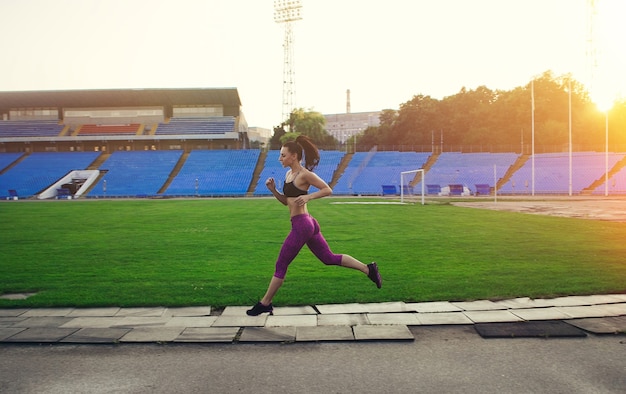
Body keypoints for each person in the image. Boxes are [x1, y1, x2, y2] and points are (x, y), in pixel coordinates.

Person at [246, 135, 382, 316]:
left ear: (294, 156)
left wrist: (309, 196)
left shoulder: (305, 175)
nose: (280, 159)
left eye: (283, 155)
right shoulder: (288, 175)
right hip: (307, 223)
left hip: (302, 225)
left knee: (281, 264)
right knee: (328, 258)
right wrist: (274, 190)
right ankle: (368, 269)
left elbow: (327, 189)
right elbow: (287, 202)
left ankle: (265, 303)